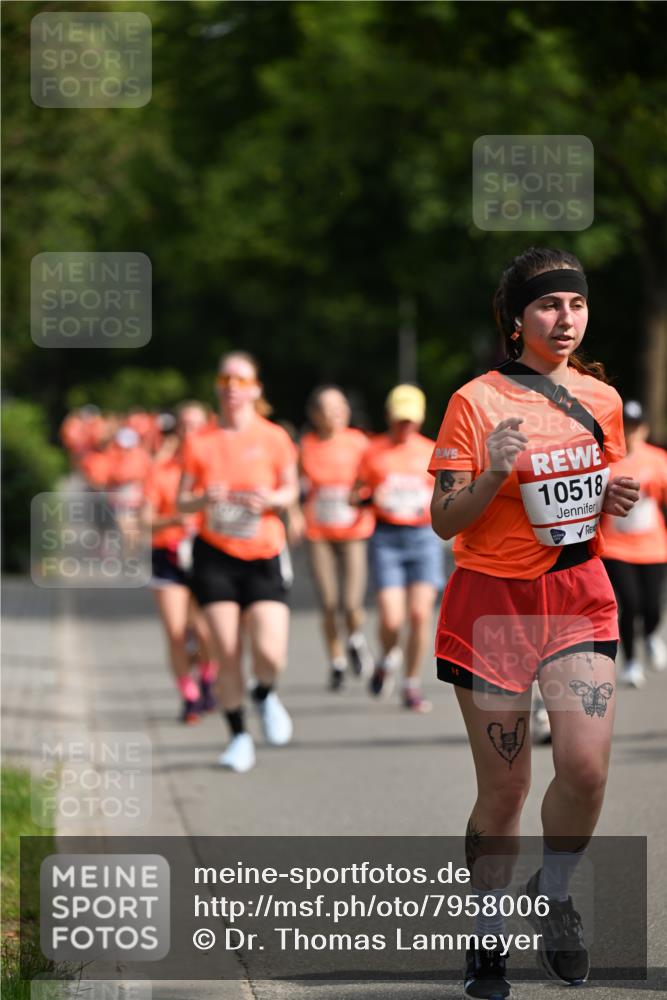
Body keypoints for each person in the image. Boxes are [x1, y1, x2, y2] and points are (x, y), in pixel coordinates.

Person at [428, 247, 639, 998]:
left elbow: (591, 490)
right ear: (516, 318)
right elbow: (442, 521)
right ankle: (485, 940)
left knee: (583, 770)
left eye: (575, 305)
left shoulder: (600, 400)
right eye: (549, 305)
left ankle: (552, 897)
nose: (565, 318)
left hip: (578, 594)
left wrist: (608, 498)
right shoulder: (474, 402)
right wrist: (490, 473)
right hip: (491, 606)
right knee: (507, 787)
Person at [177, 351, 299, 773]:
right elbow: (181, 500)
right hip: (215, 556)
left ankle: (264, 693)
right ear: (217, 386)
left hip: (264, 553)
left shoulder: (274, 437)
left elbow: (290, 490)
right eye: (225, 378)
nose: (232, 386)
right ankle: (238, 737)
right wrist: (201, 499)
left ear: (255, 390)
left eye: (241, 379)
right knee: (226, 651)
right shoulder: (199, 441)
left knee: (270, 652)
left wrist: (272, 499)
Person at [355, 384, 444, 713]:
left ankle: (410, 684)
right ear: (389, 417)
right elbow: (355, 493)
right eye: (399, 419)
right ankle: (387, 658)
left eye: (410, 420)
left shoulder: (432, 450)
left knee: (420, 614)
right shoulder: (372, 451)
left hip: (422, 538)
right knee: (392, 620)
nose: (404, 426)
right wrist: (367, 498)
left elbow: (446, 494)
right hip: (386, 537)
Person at [293, 385, 374, 690]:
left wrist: (365, 496)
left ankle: (354, 638)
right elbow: (295, 487)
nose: (336, 414)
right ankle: (337, 661)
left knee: (351, 603)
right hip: (319, 534)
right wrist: (296, 514)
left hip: (354, 531)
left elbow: (374, 476)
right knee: (328, 603)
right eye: (328, 408)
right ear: (315, 414)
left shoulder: (359, 443)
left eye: (341, 407)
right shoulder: (307, 446)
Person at [141, 402, 217, 723]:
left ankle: (208, 678)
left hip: (207, 555)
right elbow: (145, 521)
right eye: (183, 426)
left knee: (205, 631)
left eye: (196, 425)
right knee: (175, 632)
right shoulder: (160, 471)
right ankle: (189, 695)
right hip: (168, 556)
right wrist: (175, 520)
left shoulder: (215, 467)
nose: (190, 433)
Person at [602, 399, 667, 688]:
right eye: (625, 427)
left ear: (644, 429)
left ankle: (652, 634)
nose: (630, 433)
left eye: (636, 427)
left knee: (652, 607)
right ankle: (630, 662)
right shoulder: (605, 460)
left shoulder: (657, 459)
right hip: (616, 546)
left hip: (653, 546)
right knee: (630, 602)